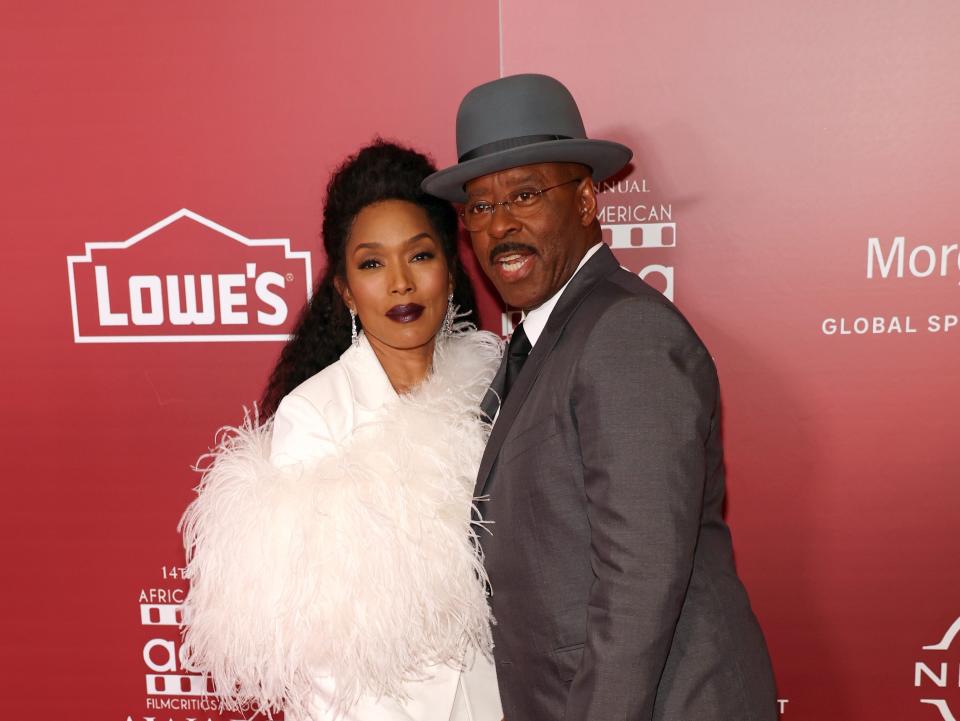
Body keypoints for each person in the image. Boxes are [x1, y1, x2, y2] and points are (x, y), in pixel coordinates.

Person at [422, 74, 777, 721]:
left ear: (585, 199)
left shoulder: (625, 334)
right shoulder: (544, 339)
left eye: (525, 194)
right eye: (478, 206)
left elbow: (638, 582)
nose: (500, 224)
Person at [179, 140, 504, 721]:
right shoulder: (314, 415)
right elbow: (321, 641)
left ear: (451, 271)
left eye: (420, 256)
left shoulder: (493, 381)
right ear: (346, 290)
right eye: (373, 264)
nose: (400, 283)